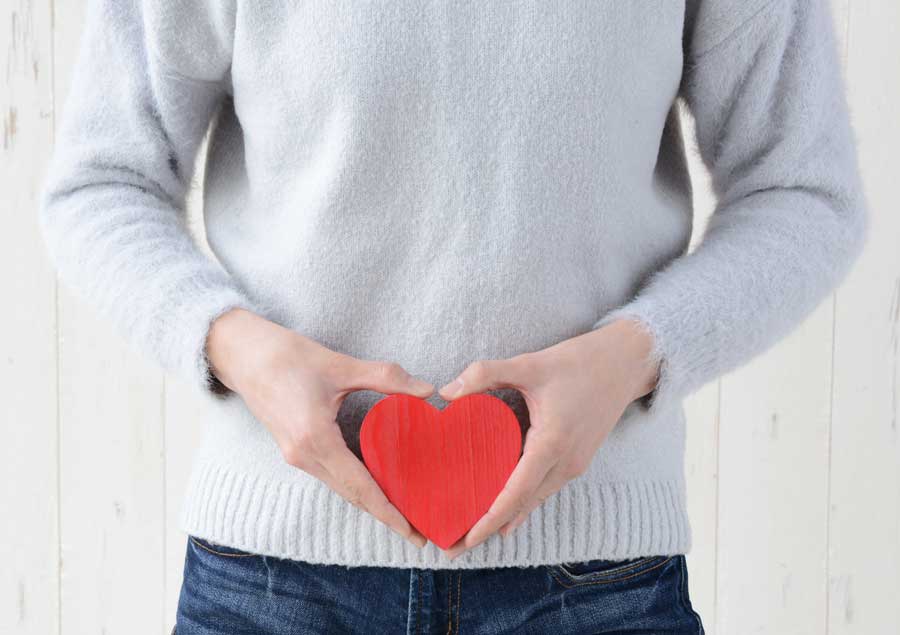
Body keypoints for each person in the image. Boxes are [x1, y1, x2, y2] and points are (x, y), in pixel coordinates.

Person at [37, 0, 867, 633]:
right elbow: (101, 182)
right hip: (272, 579)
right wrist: (239, 348)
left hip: (597, 582)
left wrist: (634, 356)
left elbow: (802, 192)